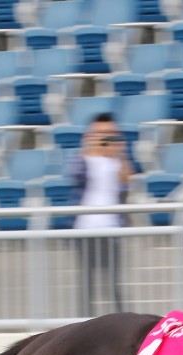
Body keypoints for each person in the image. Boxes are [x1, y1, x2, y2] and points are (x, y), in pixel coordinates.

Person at [67, 112, 132, 315]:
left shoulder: (117, 162)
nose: (105, 139)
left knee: (112, 283)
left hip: (111, 229)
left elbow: (127, 182)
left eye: (110, 134)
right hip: (86, 229)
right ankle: (84, 324)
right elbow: (75, 176)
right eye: (100, 134)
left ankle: (121, 323)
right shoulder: (84, 161)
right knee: (87, 283)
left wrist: (119, 152)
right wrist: (90, 149)